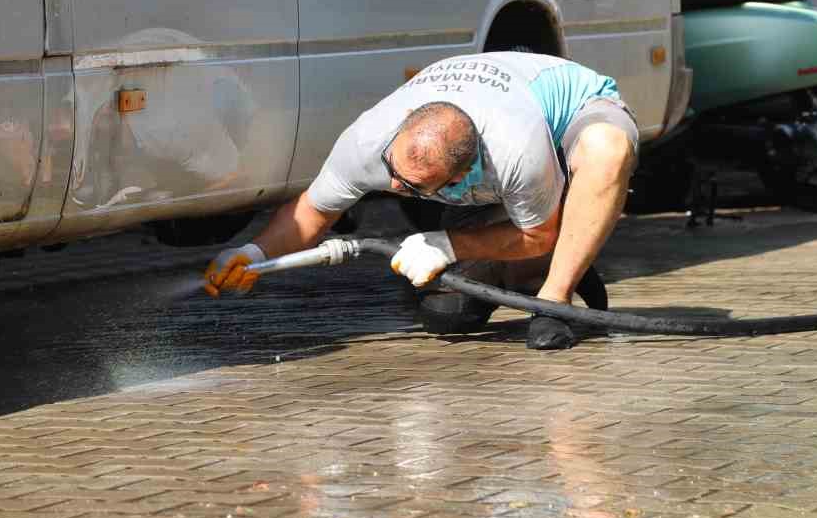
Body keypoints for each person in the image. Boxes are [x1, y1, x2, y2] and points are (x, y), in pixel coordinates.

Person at [202, 52, 639, 350]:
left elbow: (538, 234)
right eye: (394, 171)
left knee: (607, 150)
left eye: (413, 188)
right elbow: (312, 214)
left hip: (567, 110)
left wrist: (448, 245)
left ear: (464, 174)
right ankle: (558, 256)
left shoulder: (514, 150)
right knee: (448, 316)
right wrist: (251, 252)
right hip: (498, 140)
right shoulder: (369, 140)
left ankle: (555, 295)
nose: (394, 188)